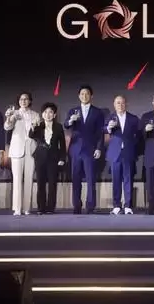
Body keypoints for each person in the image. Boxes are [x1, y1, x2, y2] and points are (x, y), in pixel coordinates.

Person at [64, 85, 104, 214]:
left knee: (91, 179)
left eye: (87, 94)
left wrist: (98, 148)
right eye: (82, 94)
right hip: (75, 149)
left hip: (90, 149)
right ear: (79, 96)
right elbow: (66, 125)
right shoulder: (73, 111)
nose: (84, 96)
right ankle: (76, 206)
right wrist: (71, 120)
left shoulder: (97, 112)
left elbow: (100, 132)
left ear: (91, 96)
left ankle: (90, 206)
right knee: (75, 179)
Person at [4, 92, 40, 216]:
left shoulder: (35, 114)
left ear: (30, 101)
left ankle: (27, 208)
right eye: (21, 99)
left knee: (29, 179)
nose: (23, 101)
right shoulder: (14, 113)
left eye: (26, 99)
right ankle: (17, 208)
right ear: (18, 101)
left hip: (31, 149)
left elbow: (38, 132)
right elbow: (7, 127)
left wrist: (35, 127)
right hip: (17, 149)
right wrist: (9, 117)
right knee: (17, 179)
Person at [105, 95, 141, 215]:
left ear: (126, 104)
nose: (120, 105)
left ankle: (128, 206)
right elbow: (102, 129)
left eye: (122, 103)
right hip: (115, 153)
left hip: (128, 152)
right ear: (114, 105)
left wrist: (133, 145)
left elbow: (139, 134)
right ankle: (116, 205)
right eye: (118, 103)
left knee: (128, 180)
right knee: (116, 180)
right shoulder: (110, 117)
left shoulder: (133, 118)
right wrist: (108, 128)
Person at [29, 102, 66, 214]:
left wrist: (62, 158)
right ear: (42, 114)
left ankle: (50, 208)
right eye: (45, 112)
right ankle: (41, 208)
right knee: (40, 183)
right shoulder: (38, 125)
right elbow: (31, 135)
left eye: (50, 112)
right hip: (40, 157)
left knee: (52, 184)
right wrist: (33, 127)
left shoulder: (58, 127)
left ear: (54, 115)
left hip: (53, 158)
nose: (48, 114)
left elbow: (62, 144)